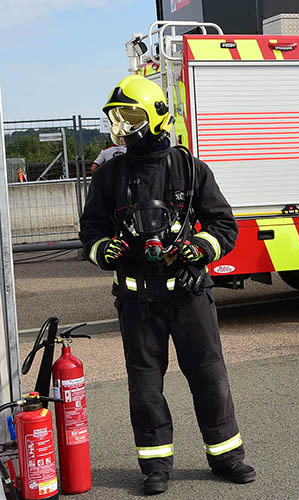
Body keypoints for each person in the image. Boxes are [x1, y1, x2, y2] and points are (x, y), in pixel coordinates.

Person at [79, 75, 255, 495]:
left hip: (189, 295)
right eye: (117, 117)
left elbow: (224, 225)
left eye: (131, 115)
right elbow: (91, 231)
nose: (123, 125)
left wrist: (200, 247)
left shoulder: (190, 168)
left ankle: (227, 456)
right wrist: (105, 250)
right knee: (144, 386)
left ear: (157, 116)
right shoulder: (110, 175)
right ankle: (156, 466)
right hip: (138, 302)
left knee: (209, 377)